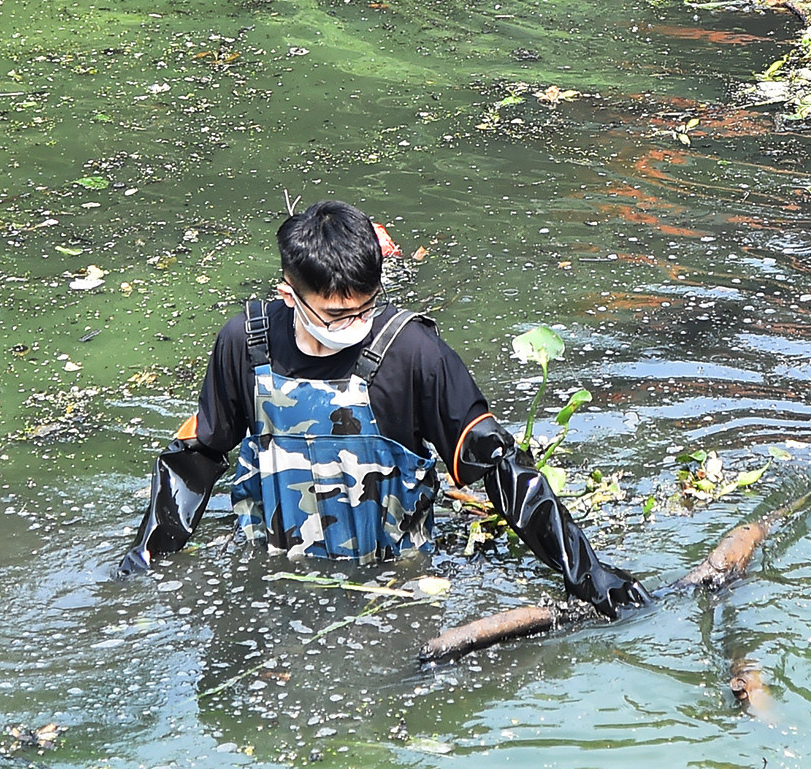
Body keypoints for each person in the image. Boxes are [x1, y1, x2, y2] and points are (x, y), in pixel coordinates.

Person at [118, 200, 646, 619]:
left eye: (366, 307)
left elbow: (503, 469)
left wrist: (586, 572)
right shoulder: (247, 343)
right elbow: (196, 456)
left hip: (395, 582)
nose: (353, 323)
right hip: (272, 577)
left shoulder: (411, 352)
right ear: (288, 294)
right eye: (336, 313)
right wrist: (143, 561)